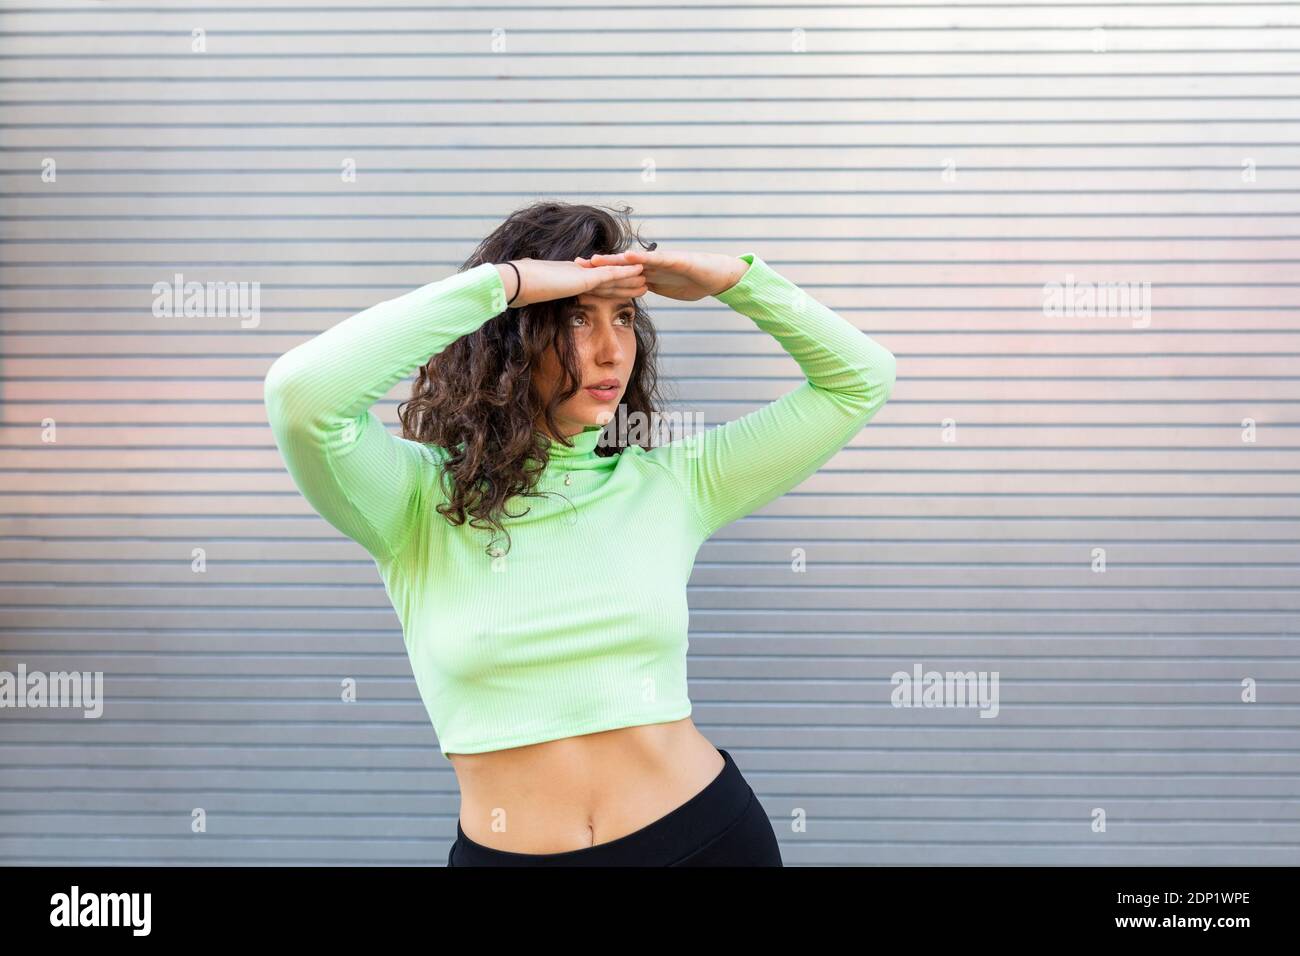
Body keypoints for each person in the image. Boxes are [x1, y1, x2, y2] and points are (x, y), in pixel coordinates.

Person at [263, 201, 896, 865]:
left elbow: (860, 379)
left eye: (623, 317)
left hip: (703, 839)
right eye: (575, 318)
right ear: (513, 336)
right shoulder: (414, 501)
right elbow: (302, 396)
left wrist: (737, 282)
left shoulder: (675, 482)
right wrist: (505, 284)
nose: (610, 349)